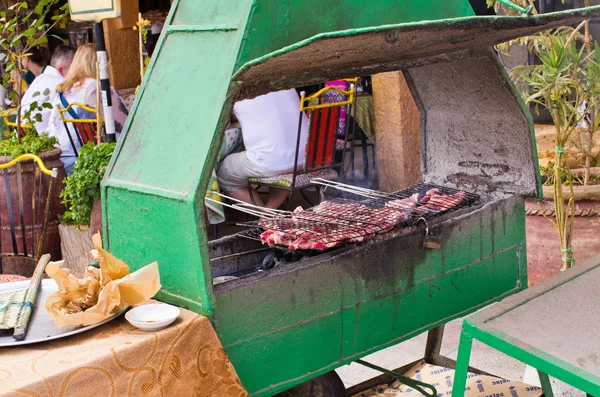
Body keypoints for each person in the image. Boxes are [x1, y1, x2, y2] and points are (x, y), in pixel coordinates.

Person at [217, 88, 309, 209]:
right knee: (282, 163)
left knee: (223, 174)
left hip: (271, 162)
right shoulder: (286, 84)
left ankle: (264, 214)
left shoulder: (236, 90)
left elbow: (223, 123)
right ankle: (270, 212)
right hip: (304, 157)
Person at [47, 44, 129, 174]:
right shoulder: (98, 89)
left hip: (59, 159)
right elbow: (126, 124)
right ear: (100, 64)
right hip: (89, 160)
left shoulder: (62, 90)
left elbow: (51, 128)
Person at [20, 45, 76, 134]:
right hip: (42, 139)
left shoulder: (40, 79)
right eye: (75, 68)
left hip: (25, 136)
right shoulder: (59, 83)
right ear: (61, 69)